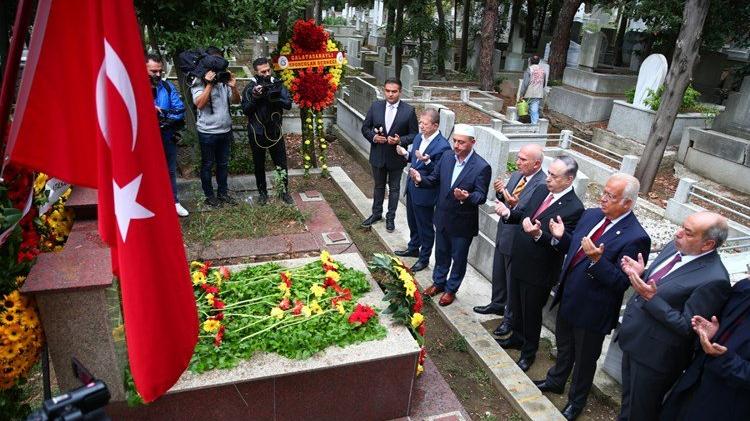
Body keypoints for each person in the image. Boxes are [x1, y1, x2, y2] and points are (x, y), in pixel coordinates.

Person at [533, 173, 651, 421]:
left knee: (585, 360)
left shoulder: (636, 236)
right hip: (569, 295)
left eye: (611, 196)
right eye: (604, 192)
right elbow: (574, 250)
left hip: (594, 309)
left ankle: (576, 401)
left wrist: (597, 260)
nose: (603, 199)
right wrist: (561, 236)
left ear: (627, 203)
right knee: (564, 346)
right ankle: (556, 380)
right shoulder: (592, 215)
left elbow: (621, 282)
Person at [617, 211, 732, 421]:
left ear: (707, 245)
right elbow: (660, 285)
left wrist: (651, 299)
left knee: (641, 412)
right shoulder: (676, 247)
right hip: (634, 338)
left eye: (688, 232)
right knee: (628, 402)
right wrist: (643, 273)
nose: (678, 233)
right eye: (682, 226)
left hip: (655, 358)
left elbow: (688, 328)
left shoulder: (715, 280)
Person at [494, 155, 584, 372]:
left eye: (554, 176)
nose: (548, 179)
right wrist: (508, 213)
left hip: (540, 270)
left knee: (531, 313)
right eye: (549, 173)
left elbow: (563, 245)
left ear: (569, 179)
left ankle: (528, 352)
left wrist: (538, 235)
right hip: (520, 257)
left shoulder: (574, 208)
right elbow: (525, 215)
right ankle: (515, 337)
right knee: (515, 304)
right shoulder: (543, 191)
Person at [408, 124, 491, 306]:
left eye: (461, 142)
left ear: (472, 143)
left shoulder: (482, 166)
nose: (456, 145)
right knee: (441, 253)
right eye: (454, 141)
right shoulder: (447, 157)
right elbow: (435, 179)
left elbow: (481, 196)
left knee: (458, 258)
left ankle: (451, 289)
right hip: (443, 216)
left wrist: (467, 196)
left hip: (463, 222)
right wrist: (420, 180)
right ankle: (439, 282)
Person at [473, 143, 546, 338]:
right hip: (504, 231)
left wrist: (514, 204)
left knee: (512, 280)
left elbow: (528, 211)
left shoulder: (542, 184)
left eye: (523, 159)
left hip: (519, 239)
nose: (518, 162)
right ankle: (497, 304)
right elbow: (507, 200)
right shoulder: (517, 176)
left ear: (536, 163)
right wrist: (500, 192)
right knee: (499, 273)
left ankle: (509, 318)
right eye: (519, 157)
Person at [660, 276, 750, 421]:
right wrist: (715, 333)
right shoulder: (745, 287)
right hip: (697, 379)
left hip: (727, 401)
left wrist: (725, 359)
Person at [394, 108, 451, 272]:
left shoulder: (443, 146)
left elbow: (439, 173)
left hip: (426, 192)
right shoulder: (419, 137)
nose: (421, 126)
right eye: (420, 122)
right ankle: (413, 248)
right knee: (412, 221)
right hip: (412, 188)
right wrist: (405, 153)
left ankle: (424, 258)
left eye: (425, 124)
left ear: (435, 125)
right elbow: (414, 159)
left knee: (425, 226)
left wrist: (426, 162)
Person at [360, 78, 419, 232]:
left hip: (396, 157)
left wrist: (400, 140)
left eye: (394, 91)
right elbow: (365, 128)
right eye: (387, 91)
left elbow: (414, 134)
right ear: (384, 90)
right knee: (378, 186)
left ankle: (390, 218)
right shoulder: (375, 106)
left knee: (394, 189)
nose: (390, 94)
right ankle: (376, 214)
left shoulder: (409, 111)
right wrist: (373, 137)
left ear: (400, 92)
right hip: (378, 155)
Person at [190, 46, 241, 207]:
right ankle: (209, 195)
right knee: (207, 165)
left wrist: (233, 87)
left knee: (223, 164)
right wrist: (209, 85)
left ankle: (223, 193)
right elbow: (199, 104)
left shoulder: (223, 81)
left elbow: (236, 101)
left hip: (225, 131)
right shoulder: (198, 81)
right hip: (207, 133)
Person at [241, 57, 293, 205]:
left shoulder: (277, 84)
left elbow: (288, 104)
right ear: (256, 72)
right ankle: (262, 194)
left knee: (281, 163)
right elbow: (245, 109)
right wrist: (256, 97)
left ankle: (284, 192)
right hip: (256, 133)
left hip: (275, 132)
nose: (266, 73)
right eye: (263, 71)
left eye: (268, 70)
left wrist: (273, 98)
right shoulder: (250, 88)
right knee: (259, 164)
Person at [146, 54, 188, 217]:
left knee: (170, 170)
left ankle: (174, 201)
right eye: (153, 71)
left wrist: (161, 115)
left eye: (160, 71)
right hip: (145, 138)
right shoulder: (136, 89)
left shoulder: (168, 87)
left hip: (166, 134)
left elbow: (179, 110)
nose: (157, 75)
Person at [519, 55, 547, 124]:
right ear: (539, 62)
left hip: (528, 94)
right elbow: (543, 84)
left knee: (521, 109)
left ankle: (517, 122)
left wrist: (521, 94)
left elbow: (525, 84)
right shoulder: (543, 71)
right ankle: (534, 127)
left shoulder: (529, 70)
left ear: (530, 61)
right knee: (534, 111)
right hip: (538, 94)